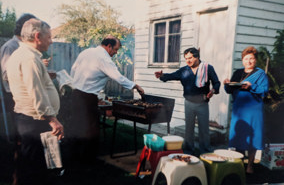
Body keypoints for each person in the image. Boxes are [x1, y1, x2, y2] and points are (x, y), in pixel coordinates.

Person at [70, 35, 144, 165]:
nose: (115, 53)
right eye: (115, 49)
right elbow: (118, 77)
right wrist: (135, 86)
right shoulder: (104, 58)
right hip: (87, 98)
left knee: (76, 127)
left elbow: (73, 70)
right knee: (91, 129)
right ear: (108, 46)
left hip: (75, 94)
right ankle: (88, 162)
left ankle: (74, 157)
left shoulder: (86, 52)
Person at [6, 18, 64, 185]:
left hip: (29, 119)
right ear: (37, 36)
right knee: (34, 171)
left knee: (28, 167)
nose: (51, 41)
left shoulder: (22, 54)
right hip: (35, 121)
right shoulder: (29, 58)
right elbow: (36, 92)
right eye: (49, 37)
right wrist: (53, 120)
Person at [155, 47, 220, 155]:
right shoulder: (184, 70)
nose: (188, 61)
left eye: (190, 58)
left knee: (204, 130)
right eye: (186, 58)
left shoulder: (207, 68)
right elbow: (172, 76)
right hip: (188, 103)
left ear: (197, 57)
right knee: (189, 129)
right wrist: (162, 76)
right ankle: (189, 151)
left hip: (202, 103)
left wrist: (213, 90)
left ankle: (206, 152)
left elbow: (217, 83)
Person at [224, 46, 268, 174]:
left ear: (255, 60)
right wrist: (226, 84)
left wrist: (251, 86)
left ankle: (250, 165)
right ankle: (239, 163)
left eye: (252, 59)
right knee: (240, 136)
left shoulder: (260, 74)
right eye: (246, 58)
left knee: (253, 136)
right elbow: (230, 90)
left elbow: (264, 91)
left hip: (254, 109)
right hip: (240, 109)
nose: (249, 61)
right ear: (242, 60)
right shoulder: (238, 73)